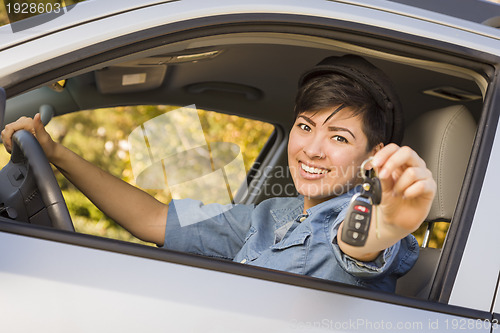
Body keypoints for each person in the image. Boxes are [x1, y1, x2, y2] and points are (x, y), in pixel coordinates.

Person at [1, 55, 436, 292]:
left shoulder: (356, 220)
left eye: (339, 138)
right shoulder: (272, 216)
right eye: (305, 126)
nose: (312, 149)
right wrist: (57, 153)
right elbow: (153, 220)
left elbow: (357, 245)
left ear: (373, 156)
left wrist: (386, 221)